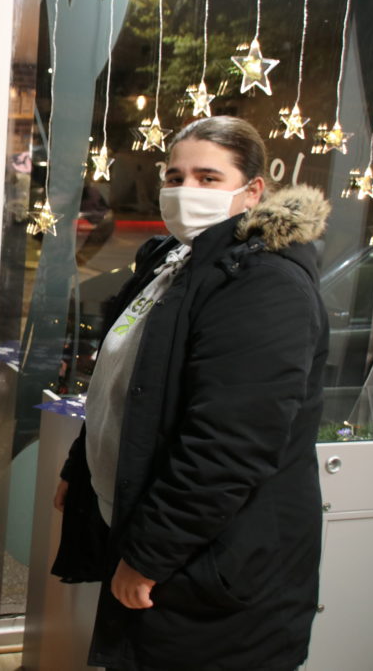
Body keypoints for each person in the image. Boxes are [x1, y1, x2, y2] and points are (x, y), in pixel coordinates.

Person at [51, 116, 330, 670]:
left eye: (208, 177)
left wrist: (149, 556)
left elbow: (228, 446)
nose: (186, 192)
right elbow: (127, 384)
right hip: (165, 542)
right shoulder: (172, 260)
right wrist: (81, 466)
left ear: (252, 191)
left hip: (215, 569)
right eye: (175, 175)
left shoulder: (264, 283)